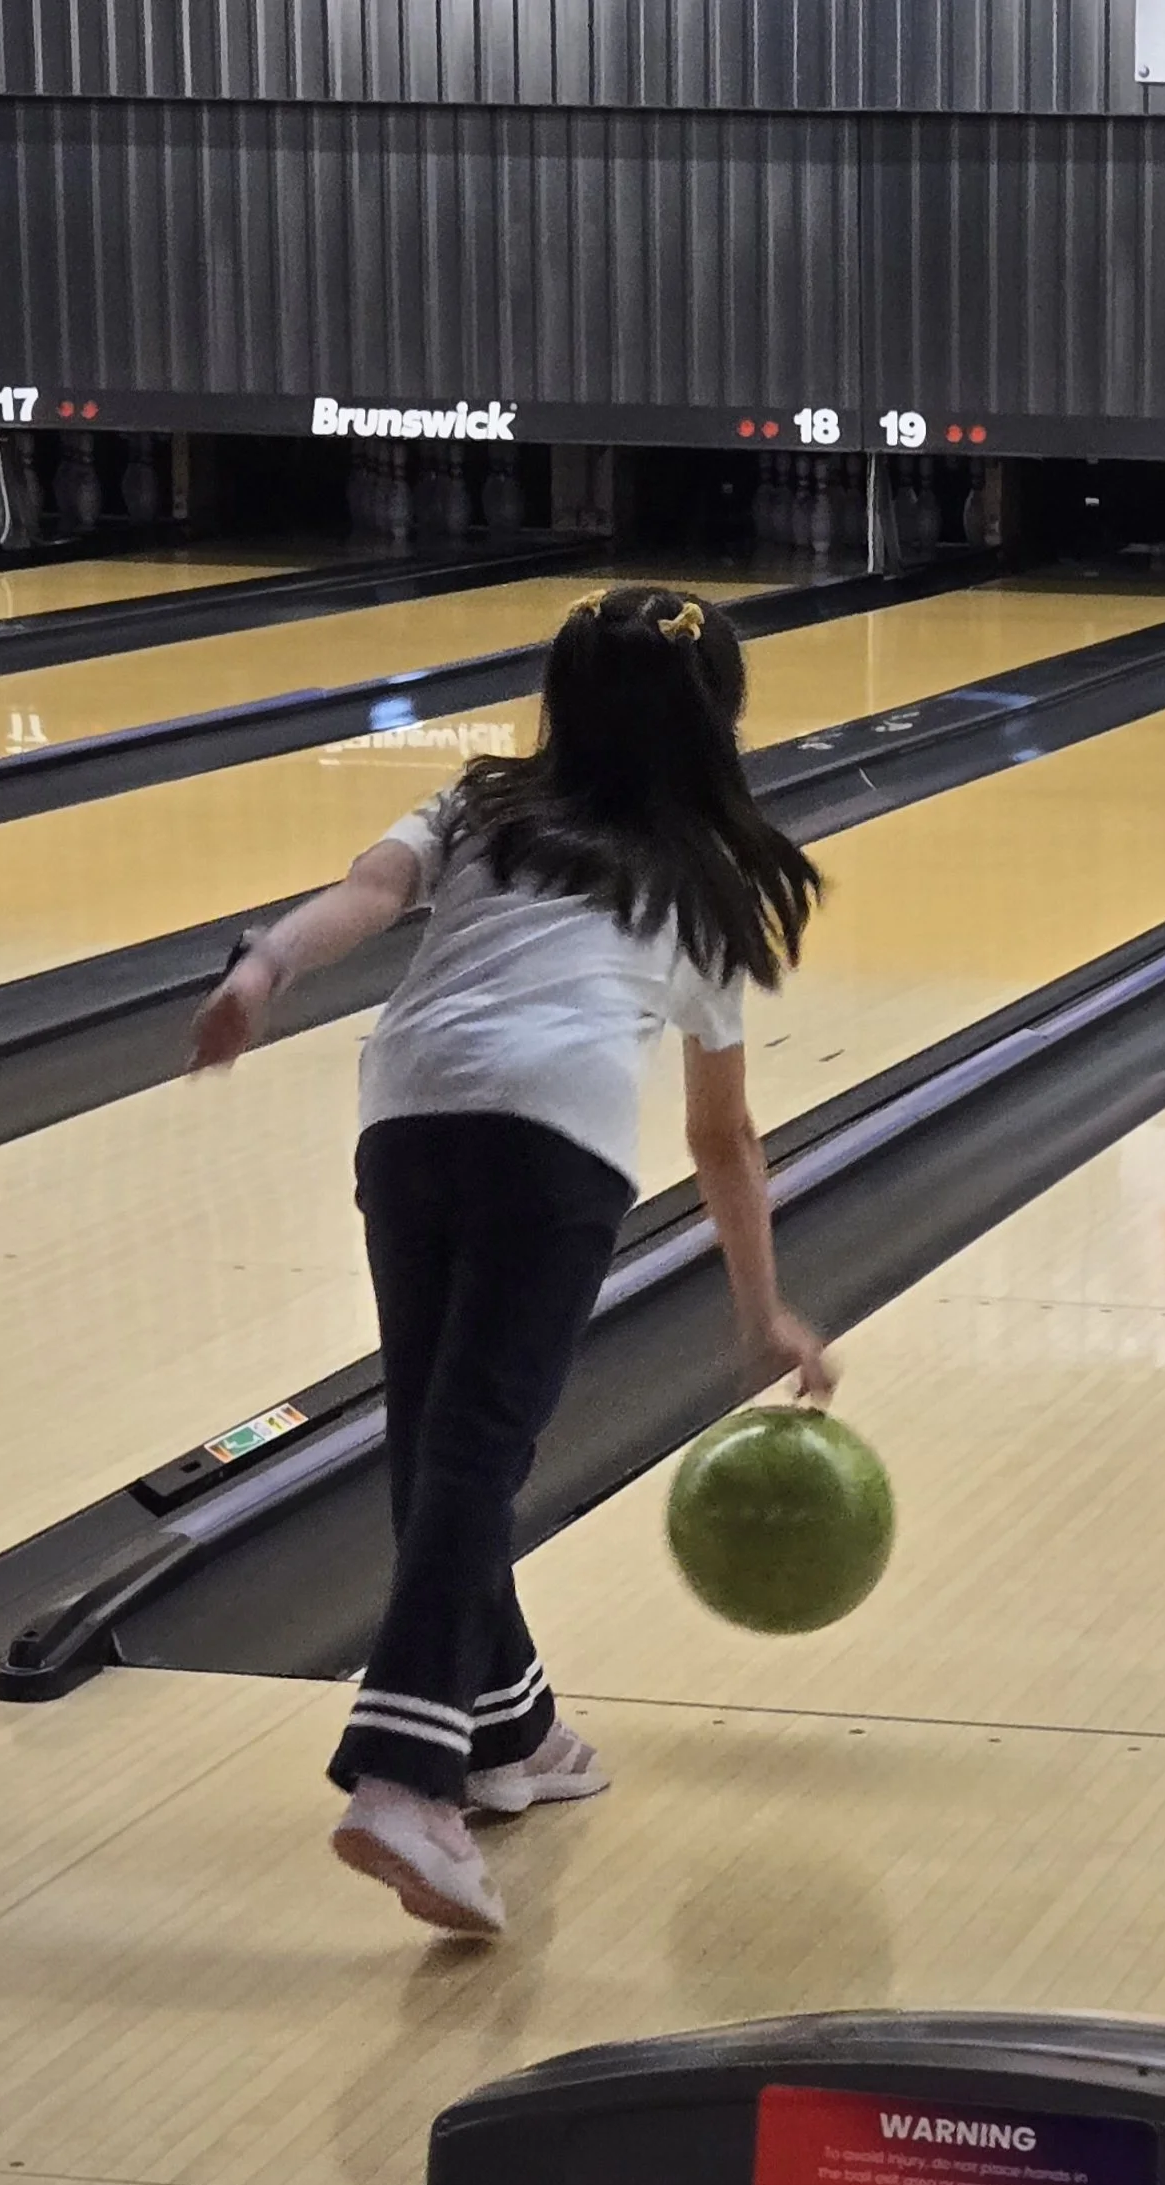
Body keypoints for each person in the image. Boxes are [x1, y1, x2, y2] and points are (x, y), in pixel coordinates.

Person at [185, 584, 833, 1938]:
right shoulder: (702, 882)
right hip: (553, 1141)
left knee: (436, 1445)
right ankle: (405, 1780)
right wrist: (764, 1311)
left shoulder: (480, 804)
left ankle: (507, 1732)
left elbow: (367, 894)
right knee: (474, 1453)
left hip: (407, 1115)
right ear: (717, 722)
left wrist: (264, 968)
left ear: (559, 701)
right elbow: (722, 1138)